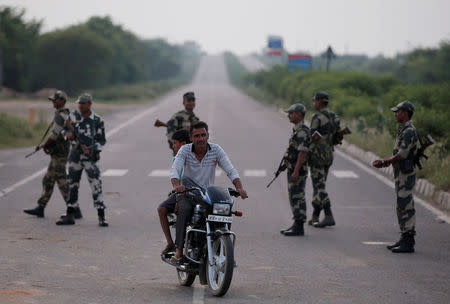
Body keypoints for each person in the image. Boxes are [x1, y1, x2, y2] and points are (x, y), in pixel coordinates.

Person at [169, 121, 248, 265]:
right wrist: (176, 185)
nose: (201, 139)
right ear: (191, 138)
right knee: (184, 209)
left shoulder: (216, 150)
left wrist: (239, 187)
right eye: (197, 136)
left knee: (224, 210)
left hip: (207, 194)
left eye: (203, 135)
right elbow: (175, 169)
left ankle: (226, 253)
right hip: (188, 192)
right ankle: (179, 251)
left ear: (208, 136)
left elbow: (230, 170)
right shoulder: (185, 150)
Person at [24, 90, 83, 219]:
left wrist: (45, 145)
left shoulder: (61, 115)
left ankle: (75, 209)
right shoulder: (64, 114)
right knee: (48, 180)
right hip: (58, 153)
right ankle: (41, 207)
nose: (53, 102)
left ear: (61, 101)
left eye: (55, 100)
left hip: (59, 155)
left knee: (62, 182)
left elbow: (54, 135)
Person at [372, 101, 418, 253]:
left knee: (406, 205)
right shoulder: (403, 130)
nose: (395, 114)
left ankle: (409, 240)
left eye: (397, 111)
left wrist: (385, 162)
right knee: (401, 205)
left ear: (405, 113)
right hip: (400, 174)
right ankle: (404, 237)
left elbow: (401, 155)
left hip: (406, 174)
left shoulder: (409, 131)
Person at [56, 93, 108, 227]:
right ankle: (70, 214)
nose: (80, 105)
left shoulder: (97, 120)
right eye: (79, 103)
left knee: (96, 185)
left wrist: (93, 148)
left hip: (90, 158)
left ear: (89, 104)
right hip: (75, 156)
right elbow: (63, 131)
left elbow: (102, 140)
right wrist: (68, 135)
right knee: (72, 184)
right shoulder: (72, 117)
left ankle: (101, 216)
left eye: (83, 103)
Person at [308, 92, 341, 228]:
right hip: (328, 155)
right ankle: (315, 215)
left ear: (319, 102)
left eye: (315, 101)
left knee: (319, 186)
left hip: (317, 156)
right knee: (320, 185)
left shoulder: (317, 118)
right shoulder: (335, 117)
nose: (314, 103)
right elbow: (338, 138)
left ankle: (328, 215)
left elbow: (312, 137)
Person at [157, 129, 191, 254]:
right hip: (181, 192)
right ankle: (172, 243)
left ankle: (174, 245)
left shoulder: (182, 157)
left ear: (182, 144)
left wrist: (178, 199)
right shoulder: (180, 157)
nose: (173, 146)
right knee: (164, 207)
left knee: (162, 209)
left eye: (175, 143)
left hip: (188, 193)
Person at [280, 104, 311, 236]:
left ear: (298, 114)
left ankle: (299, 226)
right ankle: (296, 224)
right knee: (293, 196)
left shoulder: (303, 131)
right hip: (293, 168)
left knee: (298, 196)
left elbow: (303, 152)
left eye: (291, 113)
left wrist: (296, 171)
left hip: (298, 170)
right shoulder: (297, 130)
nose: (289, 115)